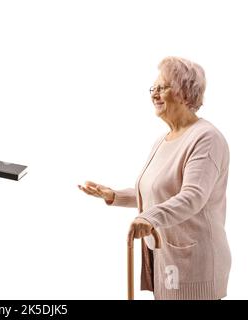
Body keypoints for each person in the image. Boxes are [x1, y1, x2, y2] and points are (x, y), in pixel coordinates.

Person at [78, 57, 231, 300]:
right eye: (153, 88)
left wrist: (149, 218)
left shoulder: (206, 138)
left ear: (184, 92)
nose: (154, 94)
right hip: (163, 256)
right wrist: (114, 195)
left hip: (195, 262)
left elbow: (193, 196)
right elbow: (156, 191)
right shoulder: (163, 140)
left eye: (162, 87)